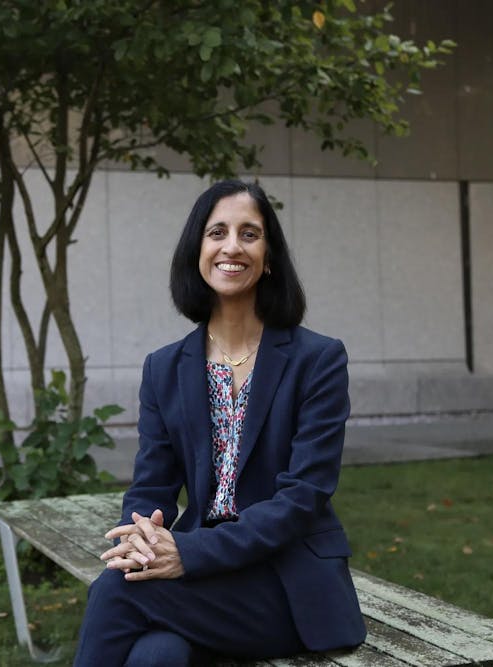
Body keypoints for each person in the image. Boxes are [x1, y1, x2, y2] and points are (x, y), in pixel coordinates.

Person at [73, 179, 366, 666]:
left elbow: (302, 498)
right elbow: (151, 485)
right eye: (217, 232)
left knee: (117, 594)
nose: (232, 246)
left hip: (285, 586)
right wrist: (142, 543)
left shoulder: (318, 360)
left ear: (269, 256)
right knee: (157, 655)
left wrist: (187, 555)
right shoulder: (164, 368)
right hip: (203, 581)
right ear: (197, 252)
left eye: (249, 234)